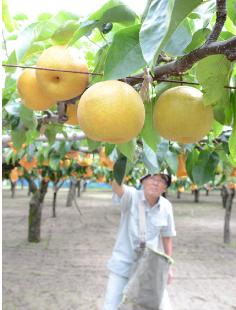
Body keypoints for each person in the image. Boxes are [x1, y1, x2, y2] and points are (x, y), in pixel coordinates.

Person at [103, 173, 176, 310]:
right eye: (152, 178)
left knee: (159, 305)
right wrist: (123, 159)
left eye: (161, 181)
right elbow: (117, 186)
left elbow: (167, 236)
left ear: (165, 188)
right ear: (142, 181)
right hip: (123, 265)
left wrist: (168, 267)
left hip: (149, 267)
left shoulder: (166, 207)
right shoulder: (131, 196)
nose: (156, 183)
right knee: (111, 305)